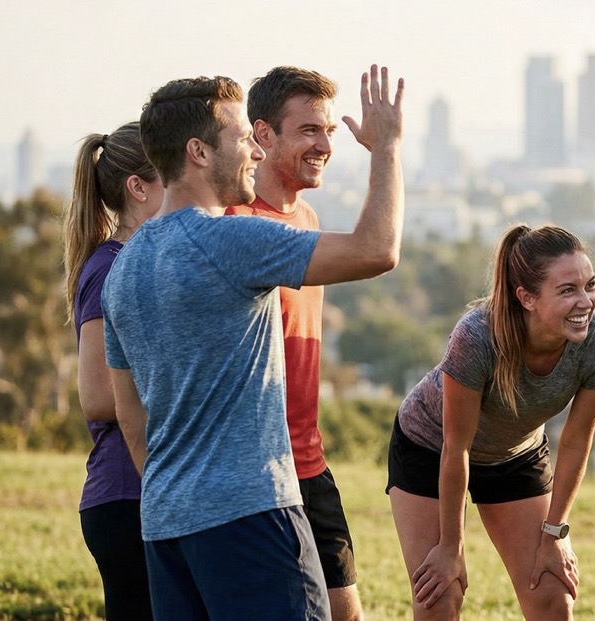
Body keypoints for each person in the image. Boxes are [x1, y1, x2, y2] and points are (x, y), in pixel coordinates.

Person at [103, 65, 405, 619]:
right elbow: (376, 249)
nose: (257, 154)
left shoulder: (123, 269)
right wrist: (385, 149)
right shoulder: (232, 240)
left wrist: (185, 496)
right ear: (198, 151)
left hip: (167, 526)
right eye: (244, 139)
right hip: (253, 515)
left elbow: (132, 419)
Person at [386, 224, 595, 621]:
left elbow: (577, 441)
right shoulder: (477, 337)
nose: (586, 302)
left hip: (515, 454)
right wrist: (450, 547)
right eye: (568, 290)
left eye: (590, 286)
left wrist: (554, 534)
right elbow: (455, 446)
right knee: (440, 597)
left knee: (552, 594)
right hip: (431, 447)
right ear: (527, 297)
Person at [224, 66, 363, 621]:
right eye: (309, 130)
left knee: (346, 611)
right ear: (263, 135)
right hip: (255, 472)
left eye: (328, 131)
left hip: (309, 458)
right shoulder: (233, 223)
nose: (325, 145)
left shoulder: (307, 216)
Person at [63, 121, 162, 620]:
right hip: (127, 496)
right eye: (172, 176)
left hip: (149, 495)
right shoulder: (110, 267)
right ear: (138, 188)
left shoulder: (140, 261)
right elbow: (99, 396)